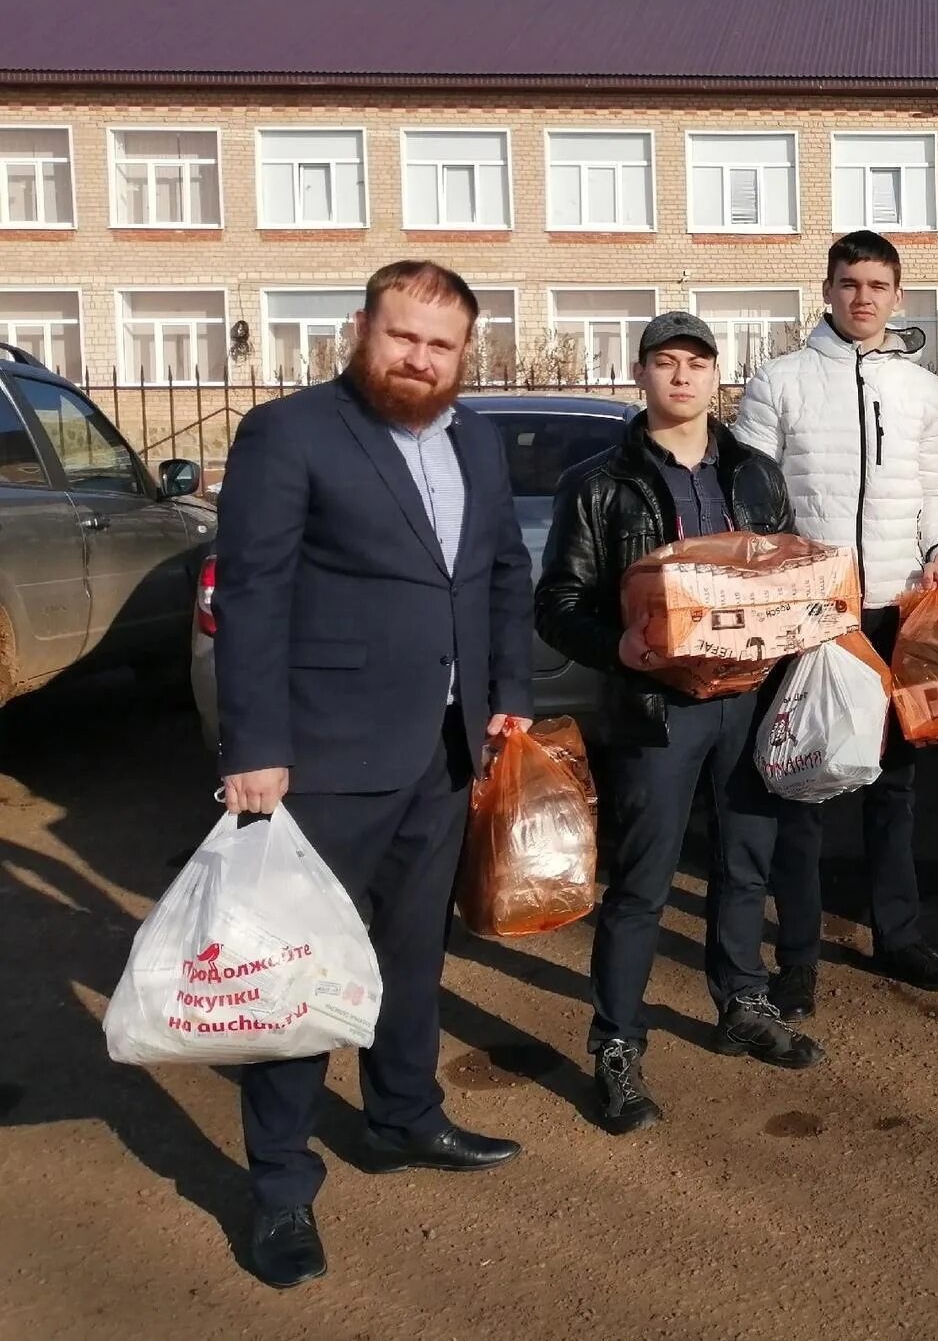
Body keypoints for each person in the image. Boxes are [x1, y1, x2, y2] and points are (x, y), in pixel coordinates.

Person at [214, 260, 531, 1289]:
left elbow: (497, 573)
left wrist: (504, 692)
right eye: (403, 337)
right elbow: (253, 597)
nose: (418, 359)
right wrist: (254, 747)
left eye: (440, 346)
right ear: (362, 328)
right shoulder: (292, 432)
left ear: (463, 354)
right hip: (322, 759)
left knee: (409, 958)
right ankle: (278, 1189)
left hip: (442, 751)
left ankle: (403, 1118)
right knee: (300, 976)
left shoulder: (476, 438)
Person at [536, 312, 815, 1132]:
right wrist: (620, 646)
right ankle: (617, 1046)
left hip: (747, 701)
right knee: (642, 886)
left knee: (745, 864)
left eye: (696, 362)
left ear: (715, 374)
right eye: (666, 362)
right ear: (642, 373)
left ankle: (743, 1002)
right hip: (659, 710)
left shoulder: (756, 475)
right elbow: (557, 604)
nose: (682, 377)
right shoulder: (599, 483)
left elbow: (782, 577)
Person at [733, 230, 938, 1007]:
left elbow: (935, 494)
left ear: (898, 295)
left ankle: (898, 934)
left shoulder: (924, 391)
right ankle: (797, 956)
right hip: (810, 615)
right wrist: (793, 579)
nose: (863, 298)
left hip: (897, 607)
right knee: (803, 783)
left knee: (895, 784)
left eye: (877, 285)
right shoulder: (780, 382)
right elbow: (752, 504)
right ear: (826, 290)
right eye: (849, 283)